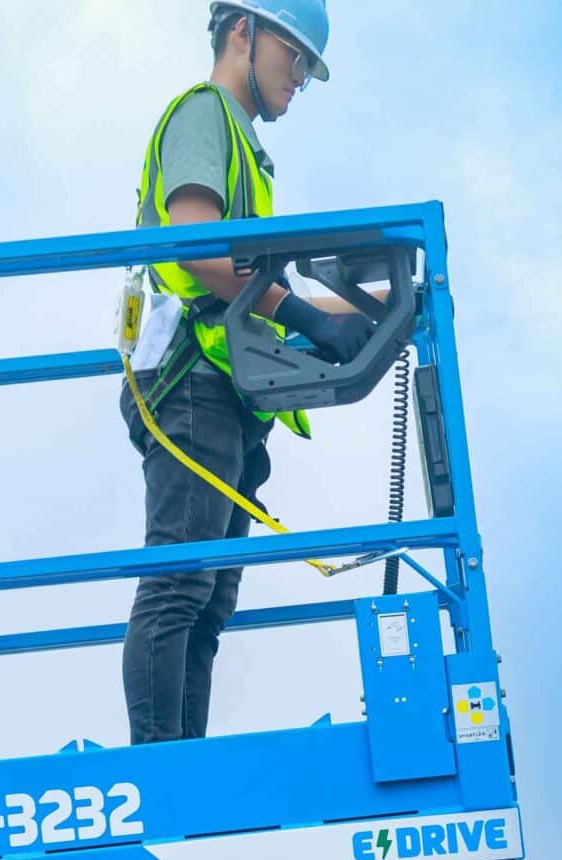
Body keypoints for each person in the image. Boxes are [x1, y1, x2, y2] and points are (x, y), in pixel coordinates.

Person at [122, 2, 375, 745]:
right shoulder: (204, 114)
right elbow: (201, 250)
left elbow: (252, 293)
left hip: (224, 390)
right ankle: (163, 771)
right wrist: (306, 318)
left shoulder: (242, 144)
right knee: (180, 583)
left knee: (206, 601)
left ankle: (187, 765)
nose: (300, 79)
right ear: (244, 32)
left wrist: (375, 307)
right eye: (294, 58)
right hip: (189, 382)